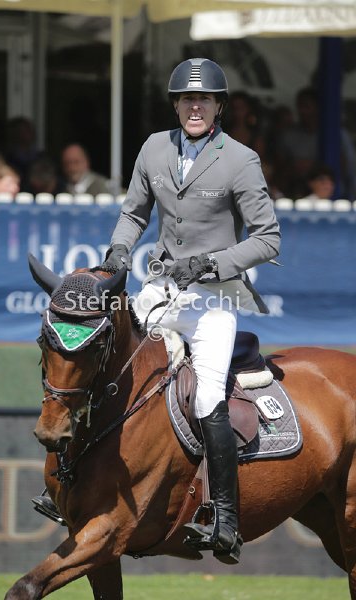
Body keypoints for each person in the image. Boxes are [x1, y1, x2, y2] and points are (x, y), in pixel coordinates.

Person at [102, 58, 281, 564]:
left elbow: (268, 239)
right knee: (107, 364)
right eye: (187, 100)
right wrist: (119, 250)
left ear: (219, 107)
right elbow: (133, 213)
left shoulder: (240, 159)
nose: (194, 107)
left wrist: (210, 263)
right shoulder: (154, 148)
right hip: (160, 289)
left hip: (213, 301)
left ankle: (225, 518)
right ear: (176, 105)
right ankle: (72, 486)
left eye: (203, 100)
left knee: (206, 396)